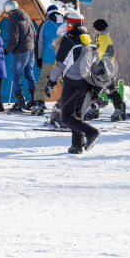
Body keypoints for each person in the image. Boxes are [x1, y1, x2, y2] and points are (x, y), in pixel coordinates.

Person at [44, 11, 101, 154]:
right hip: (85, 82)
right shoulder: (89, 42)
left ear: (71, 25)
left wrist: (50, 82)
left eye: (67, 24)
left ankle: (91, 133)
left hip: (72, 82)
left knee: (66, 116)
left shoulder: (68, 40)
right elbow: (95, 66)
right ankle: (77, 145)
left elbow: (60, 65)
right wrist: (95, 87)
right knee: (76, 115)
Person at [83, 19, 126, 121]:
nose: (93, 30)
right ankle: (94, 108)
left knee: (109, 90)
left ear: (98, 29)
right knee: (93, 88)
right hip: (100, 68)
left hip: (106, 68)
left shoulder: (104, 39)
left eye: (94, 28)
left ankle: (120, 109)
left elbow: (99, 54)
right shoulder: (101, 37)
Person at [3, 0, 36, 111]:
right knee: (29, 74)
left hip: (21, 51)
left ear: (8, 10)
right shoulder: (26, 16)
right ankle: (34, 100)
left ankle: (20, 103)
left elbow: (14, 40)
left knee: (17, 76)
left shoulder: (13, 19)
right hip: (31, 49)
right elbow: (34, 33)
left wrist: (6, 51)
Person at [31, 5, 62, 116]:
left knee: (42, 82)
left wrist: (39, 58)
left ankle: (39, 105)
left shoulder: (46, 24)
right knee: (65, 83)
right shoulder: (66, 23)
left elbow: (39, 42)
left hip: (48, 58)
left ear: (48, 13)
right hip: (63, 59)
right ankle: (66, 105)